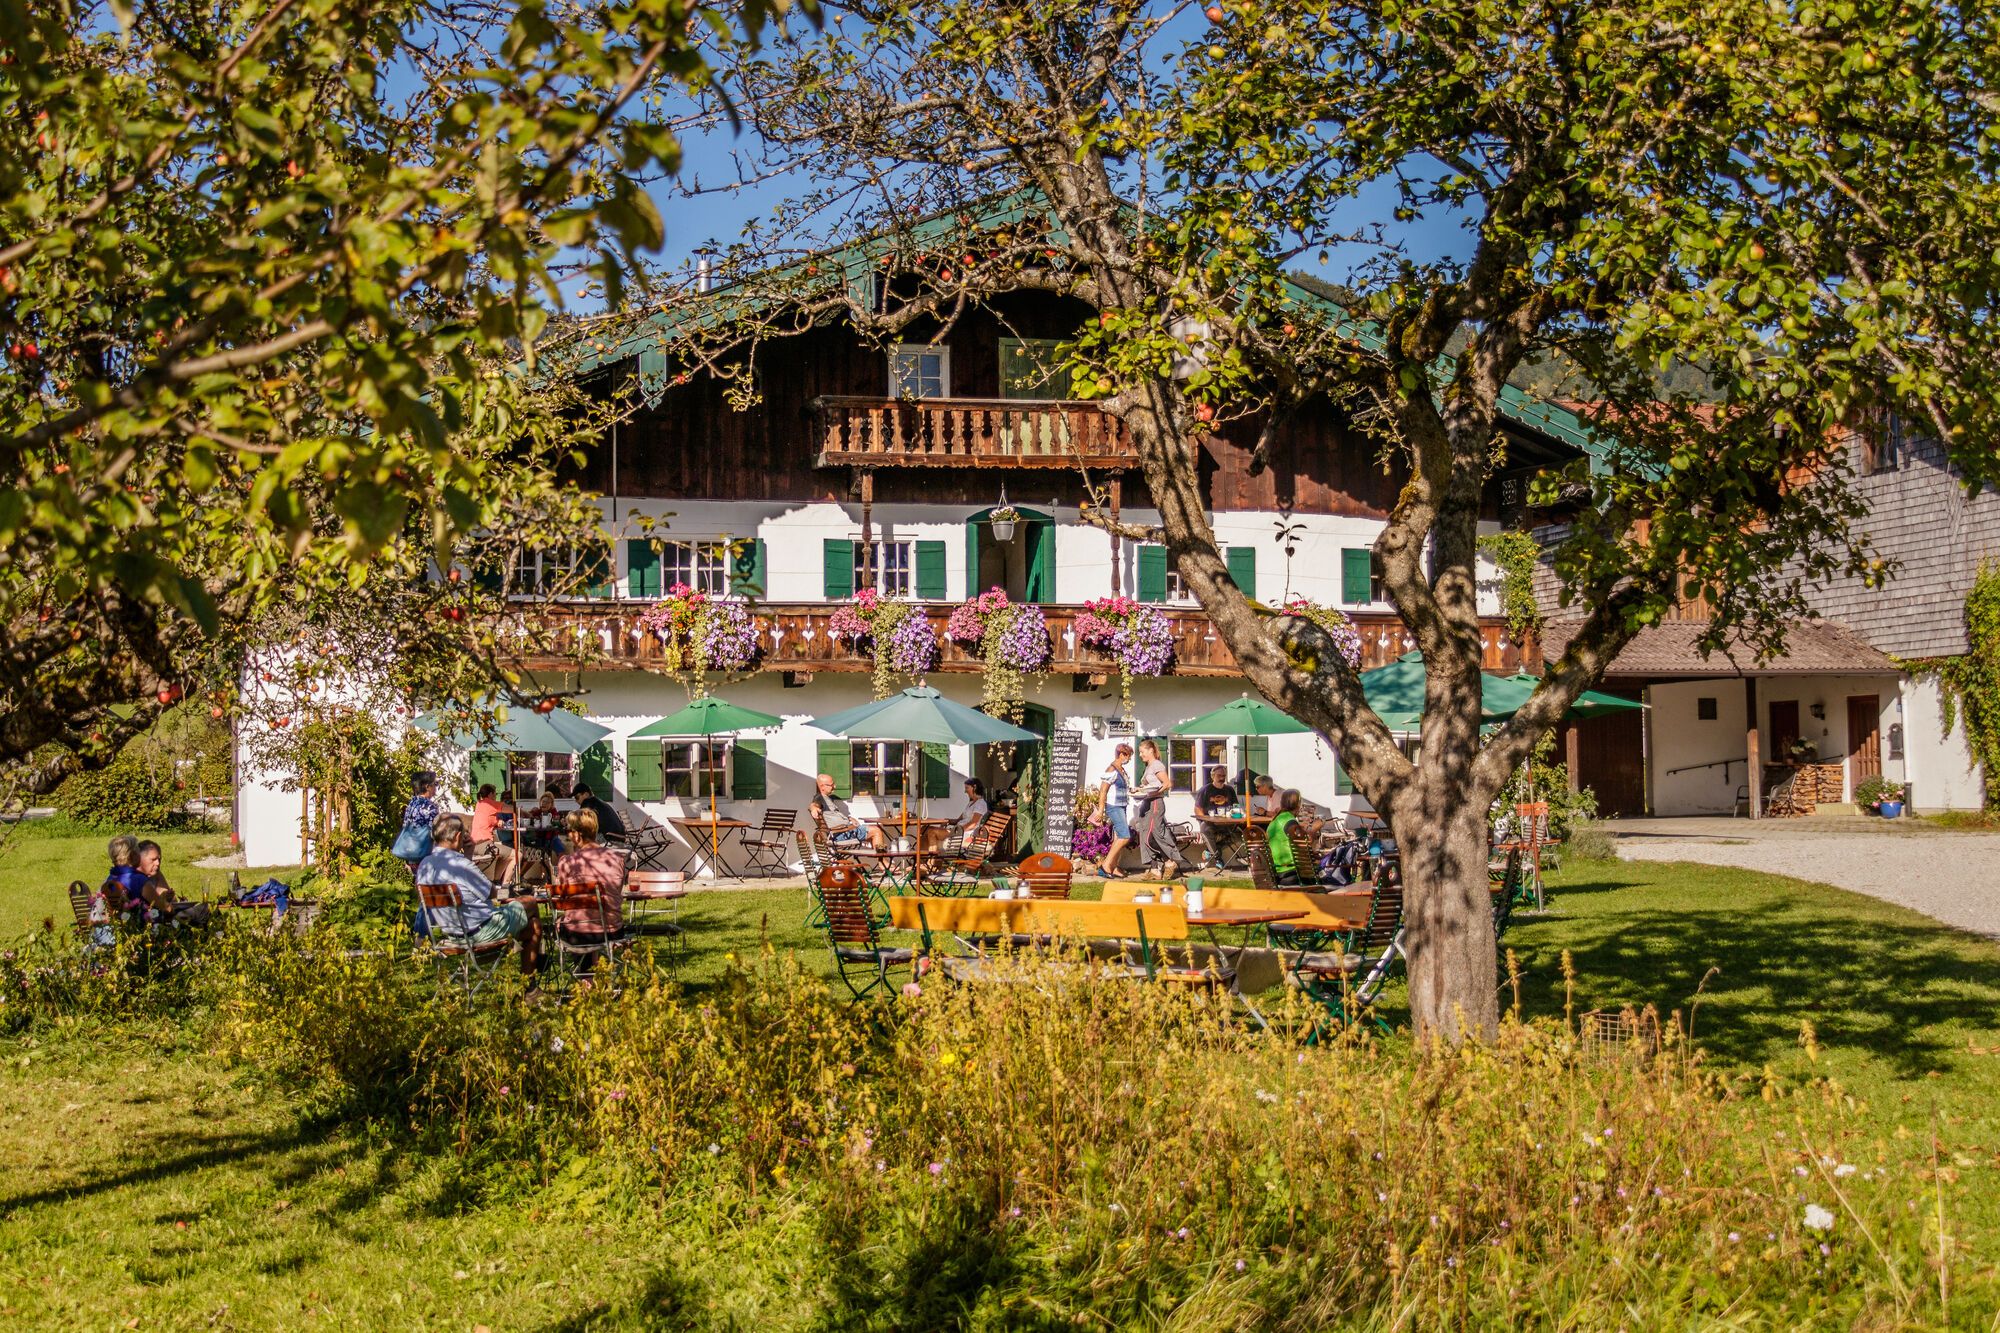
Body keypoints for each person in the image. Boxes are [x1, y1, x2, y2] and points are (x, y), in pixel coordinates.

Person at [417, 813, 541, 974]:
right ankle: (532, 972)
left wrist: (468, 855)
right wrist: (510, 895)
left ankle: (527, 976)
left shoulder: (425, 864)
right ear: (458, 837)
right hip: (482, 931)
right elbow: (492, 893)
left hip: (454, 935)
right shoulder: (461, 865)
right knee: (530, 901)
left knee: (534, 926)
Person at [550, 807, 625, 982]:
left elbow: (564, 894)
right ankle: (593, 977)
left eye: (568, 831)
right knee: (590, 917)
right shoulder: (616, 858)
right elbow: (617, 890)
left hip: (577, 933)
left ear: (577, 835)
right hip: (611, 931)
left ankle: (586, 979)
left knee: (568, 922)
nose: (568, 835)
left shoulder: (567, 862)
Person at [1132, 739, 1192, 878]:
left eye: (1142, 752)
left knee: (1154, 835)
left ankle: (1170, 860)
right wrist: (1139, 790)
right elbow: (1150, 786)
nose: (1140, 755)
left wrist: (1152, 793)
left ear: (1151, 750)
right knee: (1144, 835)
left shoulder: (1156, 765)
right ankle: (1155, 870)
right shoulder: (1149, 767)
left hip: (1155, 803)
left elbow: (1167, 783)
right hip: (1147, 803)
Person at [133, 840, 213, 929]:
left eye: (159, 859)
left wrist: (168, 896)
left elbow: (172, 900)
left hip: (162, 914)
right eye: (153, 859)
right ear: (140, 859)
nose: (158, 863)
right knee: (201, 911)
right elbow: (165, 908)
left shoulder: (155, 873)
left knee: (202, 910)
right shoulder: (137, 879)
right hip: (151, 920)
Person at [809, 773, 888, 850]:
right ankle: (880, 858)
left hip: (842, 833)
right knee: (876, 831)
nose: (834, 786)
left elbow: (833, 815)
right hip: (841, 835)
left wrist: (849, 818)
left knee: (870, 834)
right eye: (831, 785)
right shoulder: (820, 797)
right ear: (822, 786)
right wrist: (813, 809)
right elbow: (814, 804)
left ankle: (877, 856)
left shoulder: (827, 798)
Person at [1094, 743, 1134, 878]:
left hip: (1122, 806)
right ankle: (1105, 866)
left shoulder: (1121, 769)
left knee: (1118, 837)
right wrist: (1100, 810)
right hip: (1114, 806)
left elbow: (1122, 788)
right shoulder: (1112, 769)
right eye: (1128, 756)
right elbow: (1103, 791)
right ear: (1121, 754)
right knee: (1124, 836)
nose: (1129, 759)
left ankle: (1113, 867)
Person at [468, 783, 518, 884]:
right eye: (495, 794)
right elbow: (513, 809)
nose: (496, 797)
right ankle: (505, 885)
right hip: (484, 844)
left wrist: (497, 821)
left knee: (505, 855)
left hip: (474, 844)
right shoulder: (490, 803)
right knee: (517, 855)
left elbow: (487, 819)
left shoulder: (480, 804)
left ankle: (496, 882)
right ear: (490, 794)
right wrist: (527, 813)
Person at [1195, 765, 1240, 869]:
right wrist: (1205, 820)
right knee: (1205, 828)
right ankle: (1217, 859)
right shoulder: (1205, 790)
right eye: (1219, 775)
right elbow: (1197, 809)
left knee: (1240, 832)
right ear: (1212, 776)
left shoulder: (1229, 789)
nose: (1222, 778)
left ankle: (1210, 851)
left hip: (1227, 823)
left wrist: (1238, 813)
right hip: (1211, 824)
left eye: (1224, 775)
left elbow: (1236, 806)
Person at [395, 771, 441, 870]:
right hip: (423, 854)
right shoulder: (429, 807)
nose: (436, 787)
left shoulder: (412, 802)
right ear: (427, 787)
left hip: (411, 851)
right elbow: (436, 832)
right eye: (435, 784)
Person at [102, 834, 150, 928]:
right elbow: (161, 905)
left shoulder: (110, 879)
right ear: (133, 855)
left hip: (116, 928)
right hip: (140, 928)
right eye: (138, 850)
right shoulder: (139, 880)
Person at [1267, 789, 1312, 886]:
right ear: (1298, 805)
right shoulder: (1289, 821)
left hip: (1278, 872)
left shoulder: (1274, 821)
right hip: (1293, 873)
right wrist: (1313, 829)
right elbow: (1304, 847)